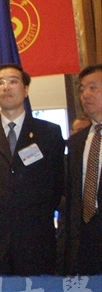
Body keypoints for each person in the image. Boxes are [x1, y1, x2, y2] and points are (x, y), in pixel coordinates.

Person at [0, 64, 65, 276]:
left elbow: (57, 183)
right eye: (0, 82)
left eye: (13, 81)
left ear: (26, 89)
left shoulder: (49, 132)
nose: (6, 87)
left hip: (37, 238)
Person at [64, 64, 102, 275]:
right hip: (84, 239)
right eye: (82, 89)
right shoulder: (77, 141)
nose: (85, 95)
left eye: (93, 88)